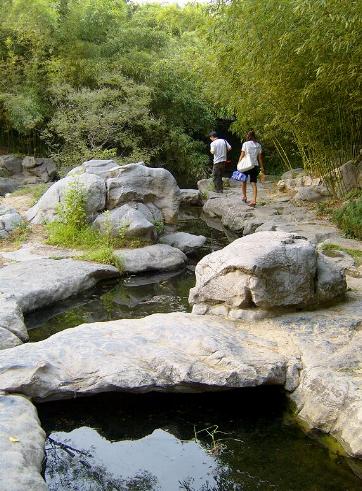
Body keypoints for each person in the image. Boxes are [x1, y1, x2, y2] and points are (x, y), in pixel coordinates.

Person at [238, 130, 265, 207]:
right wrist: (262, 167)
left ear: (248, 136)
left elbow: (242, 155)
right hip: (254, 165)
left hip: (246, 165)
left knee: (244, 181)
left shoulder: (245, 144)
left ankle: (244, 196)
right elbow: (260, 158)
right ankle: (254, 200)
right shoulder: (258, 145)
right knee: (253, 183)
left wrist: (239, 164)